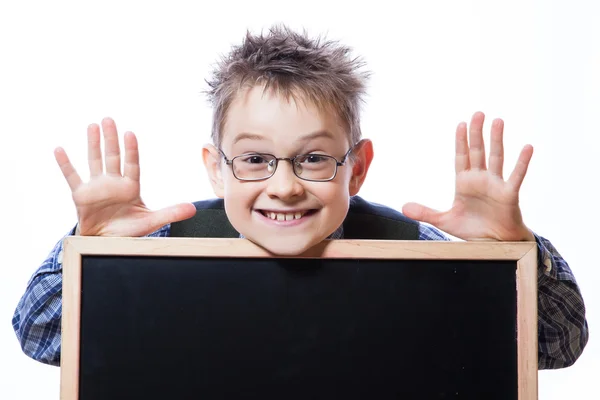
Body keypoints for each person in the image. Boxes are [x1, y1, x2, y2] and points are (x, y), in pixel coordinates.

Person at [13, 25, 588, 370]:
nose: (284, 185)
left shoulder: (422, 253)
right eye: (255, 159)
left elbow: (557, 346)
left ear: (356, 169)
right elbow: (40, 337)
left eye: (314, 158)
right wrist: (91, 255)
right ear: (217, 171)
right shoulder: (162, 249)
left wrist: (510, 256)